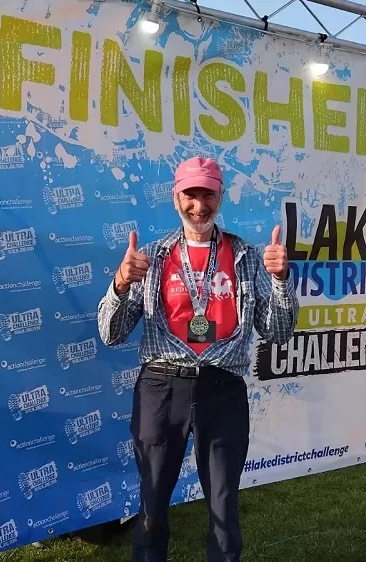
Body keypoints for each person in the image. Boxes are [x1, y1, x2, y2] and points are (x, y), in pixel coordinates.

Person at [97, 156, 298, 562]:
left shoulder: (245, 256)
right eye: (191, 193)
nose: (199, 204)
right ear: (176, 197)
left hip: (222, 390)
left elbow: (277, 331)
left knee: (224, 508)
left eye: (208, 193)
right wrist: (119, 283)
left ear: (221, 195)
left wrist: (280, 282)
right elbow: (111, 333)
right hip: (161, 386)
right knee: (152, 507)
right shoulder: (151, 257)